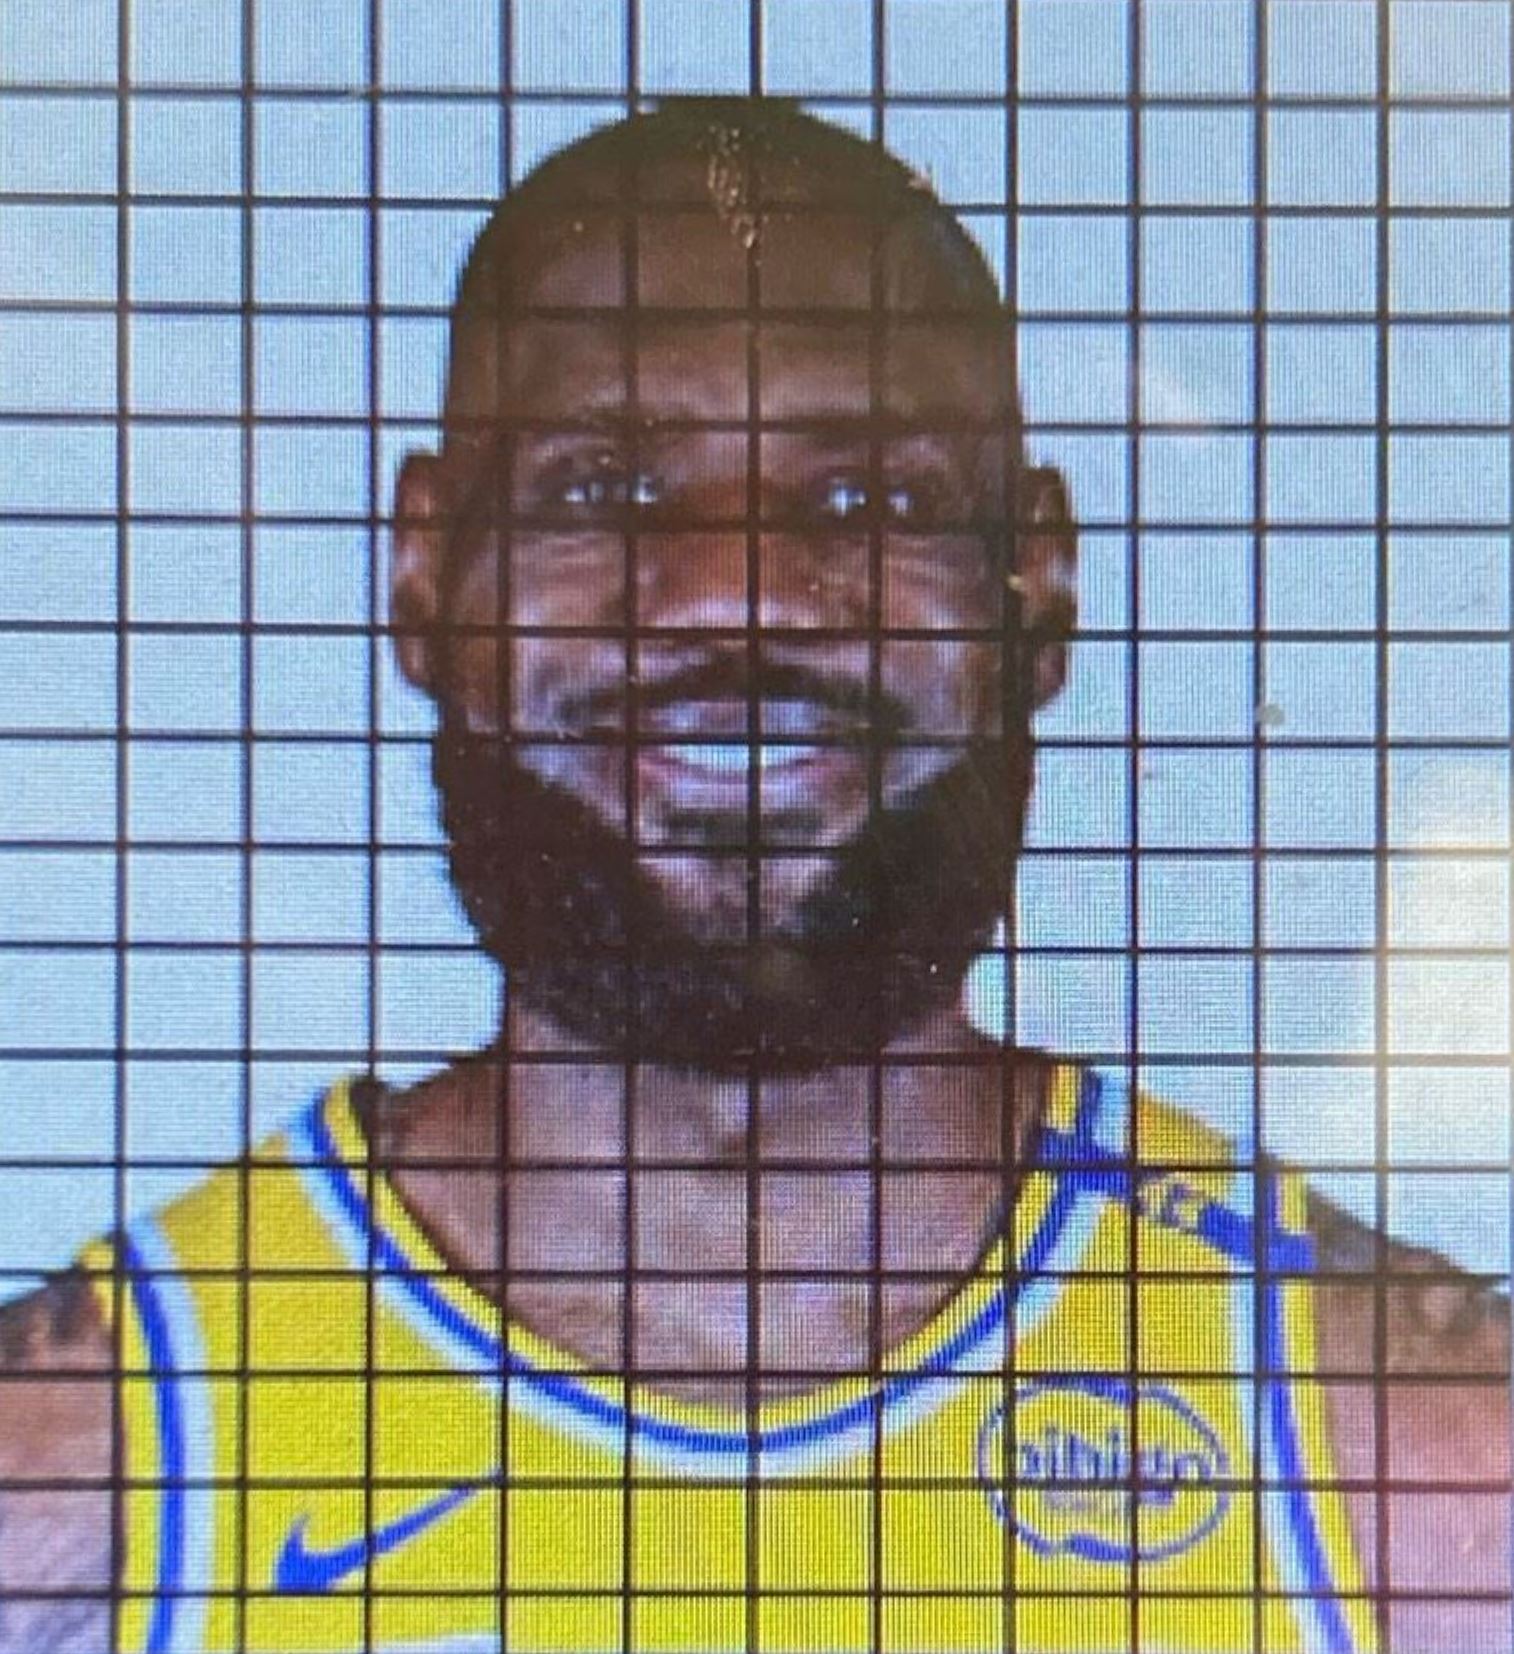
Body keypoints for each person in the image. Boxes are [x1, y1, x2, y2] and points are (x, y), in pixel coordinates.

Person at [0, 98, 1506, 1654]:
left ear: (1035, 587)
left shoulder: (1418, 1454)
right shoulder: (76, 1477)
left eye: (872, 499)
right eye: (601, 487)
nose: (737, 592)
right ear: (423, 572)